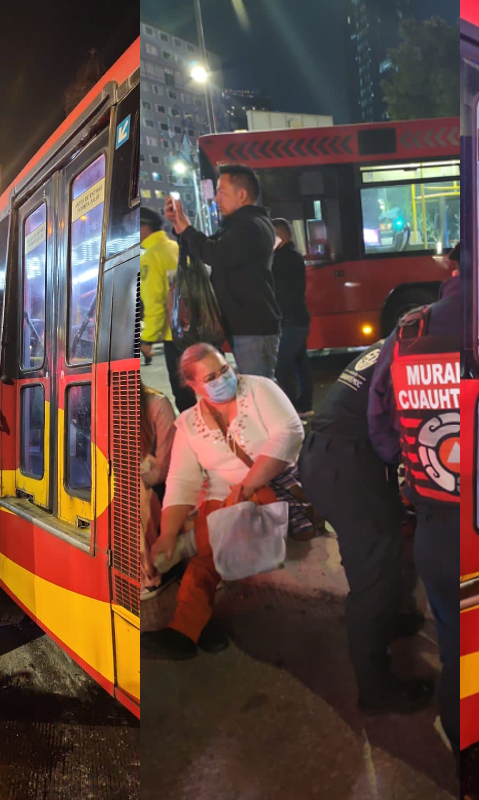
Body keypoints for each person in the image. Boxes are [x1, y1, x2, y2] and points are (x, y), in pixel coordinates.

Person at [141, 342, 307, 659]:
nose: (223, 379)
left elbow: (290, 433)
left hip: (272, 487)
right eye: (211, 377)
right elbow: (181, 480)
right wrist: (167, 532)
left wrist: (246, 487)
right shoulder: (189, 422)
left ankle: (189, 553)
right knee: (215, 531)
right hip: (225, 503)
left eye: (224, 370)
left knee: (217, 524)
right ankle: (184, 632)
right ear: (192, 386)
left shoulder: (259, 389)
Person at [298, 338, 432, 715]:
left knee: (386, 550)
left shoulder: (402, 338)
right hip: (345, 464)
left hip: (337, 457)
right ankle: (375, 690)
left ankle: (393, 616)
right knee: (373, 574)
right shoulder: (420, 348)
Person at [368, 243, 461, 750]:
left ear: (453, 267)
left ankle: (457, 733)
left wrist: (412, 476)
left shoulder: (410, 331)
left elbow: (380, 427)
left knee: (453, 641)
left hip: (438, 518)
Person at [164, 164, 281, 378]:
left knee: (259, 391)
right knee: (253, 389)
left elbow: (215, 253)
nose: (216, 199)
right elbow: (208, 248)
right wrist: (181, 228)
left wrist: (186, 228)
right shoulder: (239, 224)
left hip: (252, 326)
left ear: (242, 194)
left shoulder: (250, 225)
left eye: (221, 192)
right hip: (245, 324)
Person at [139, 207, 195, 411]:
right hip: (196, 329)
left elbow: (155, 303)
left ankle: (196, 437)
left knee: (184, 393)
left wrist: (148, 339)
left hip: (175, 336)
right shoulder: (175, 247)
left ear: (145, 227)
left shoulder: (150, 257)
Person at [271, 218, 313, 417]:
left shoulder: (284, 258)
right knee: (299, 362)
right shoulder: (291, 255)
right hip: (297, 318)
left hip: (292, 321)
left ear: (279, 236)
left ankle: (292, 409)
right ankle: (305, 405)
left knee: (282, 367)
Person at [140, 384, 179, 598]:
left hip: (160, 481)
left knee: (133, 494)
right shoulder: (109, 405)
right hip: (137, 474)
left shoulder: (157, 405)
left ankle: (150, 573)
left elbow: (166, 467)